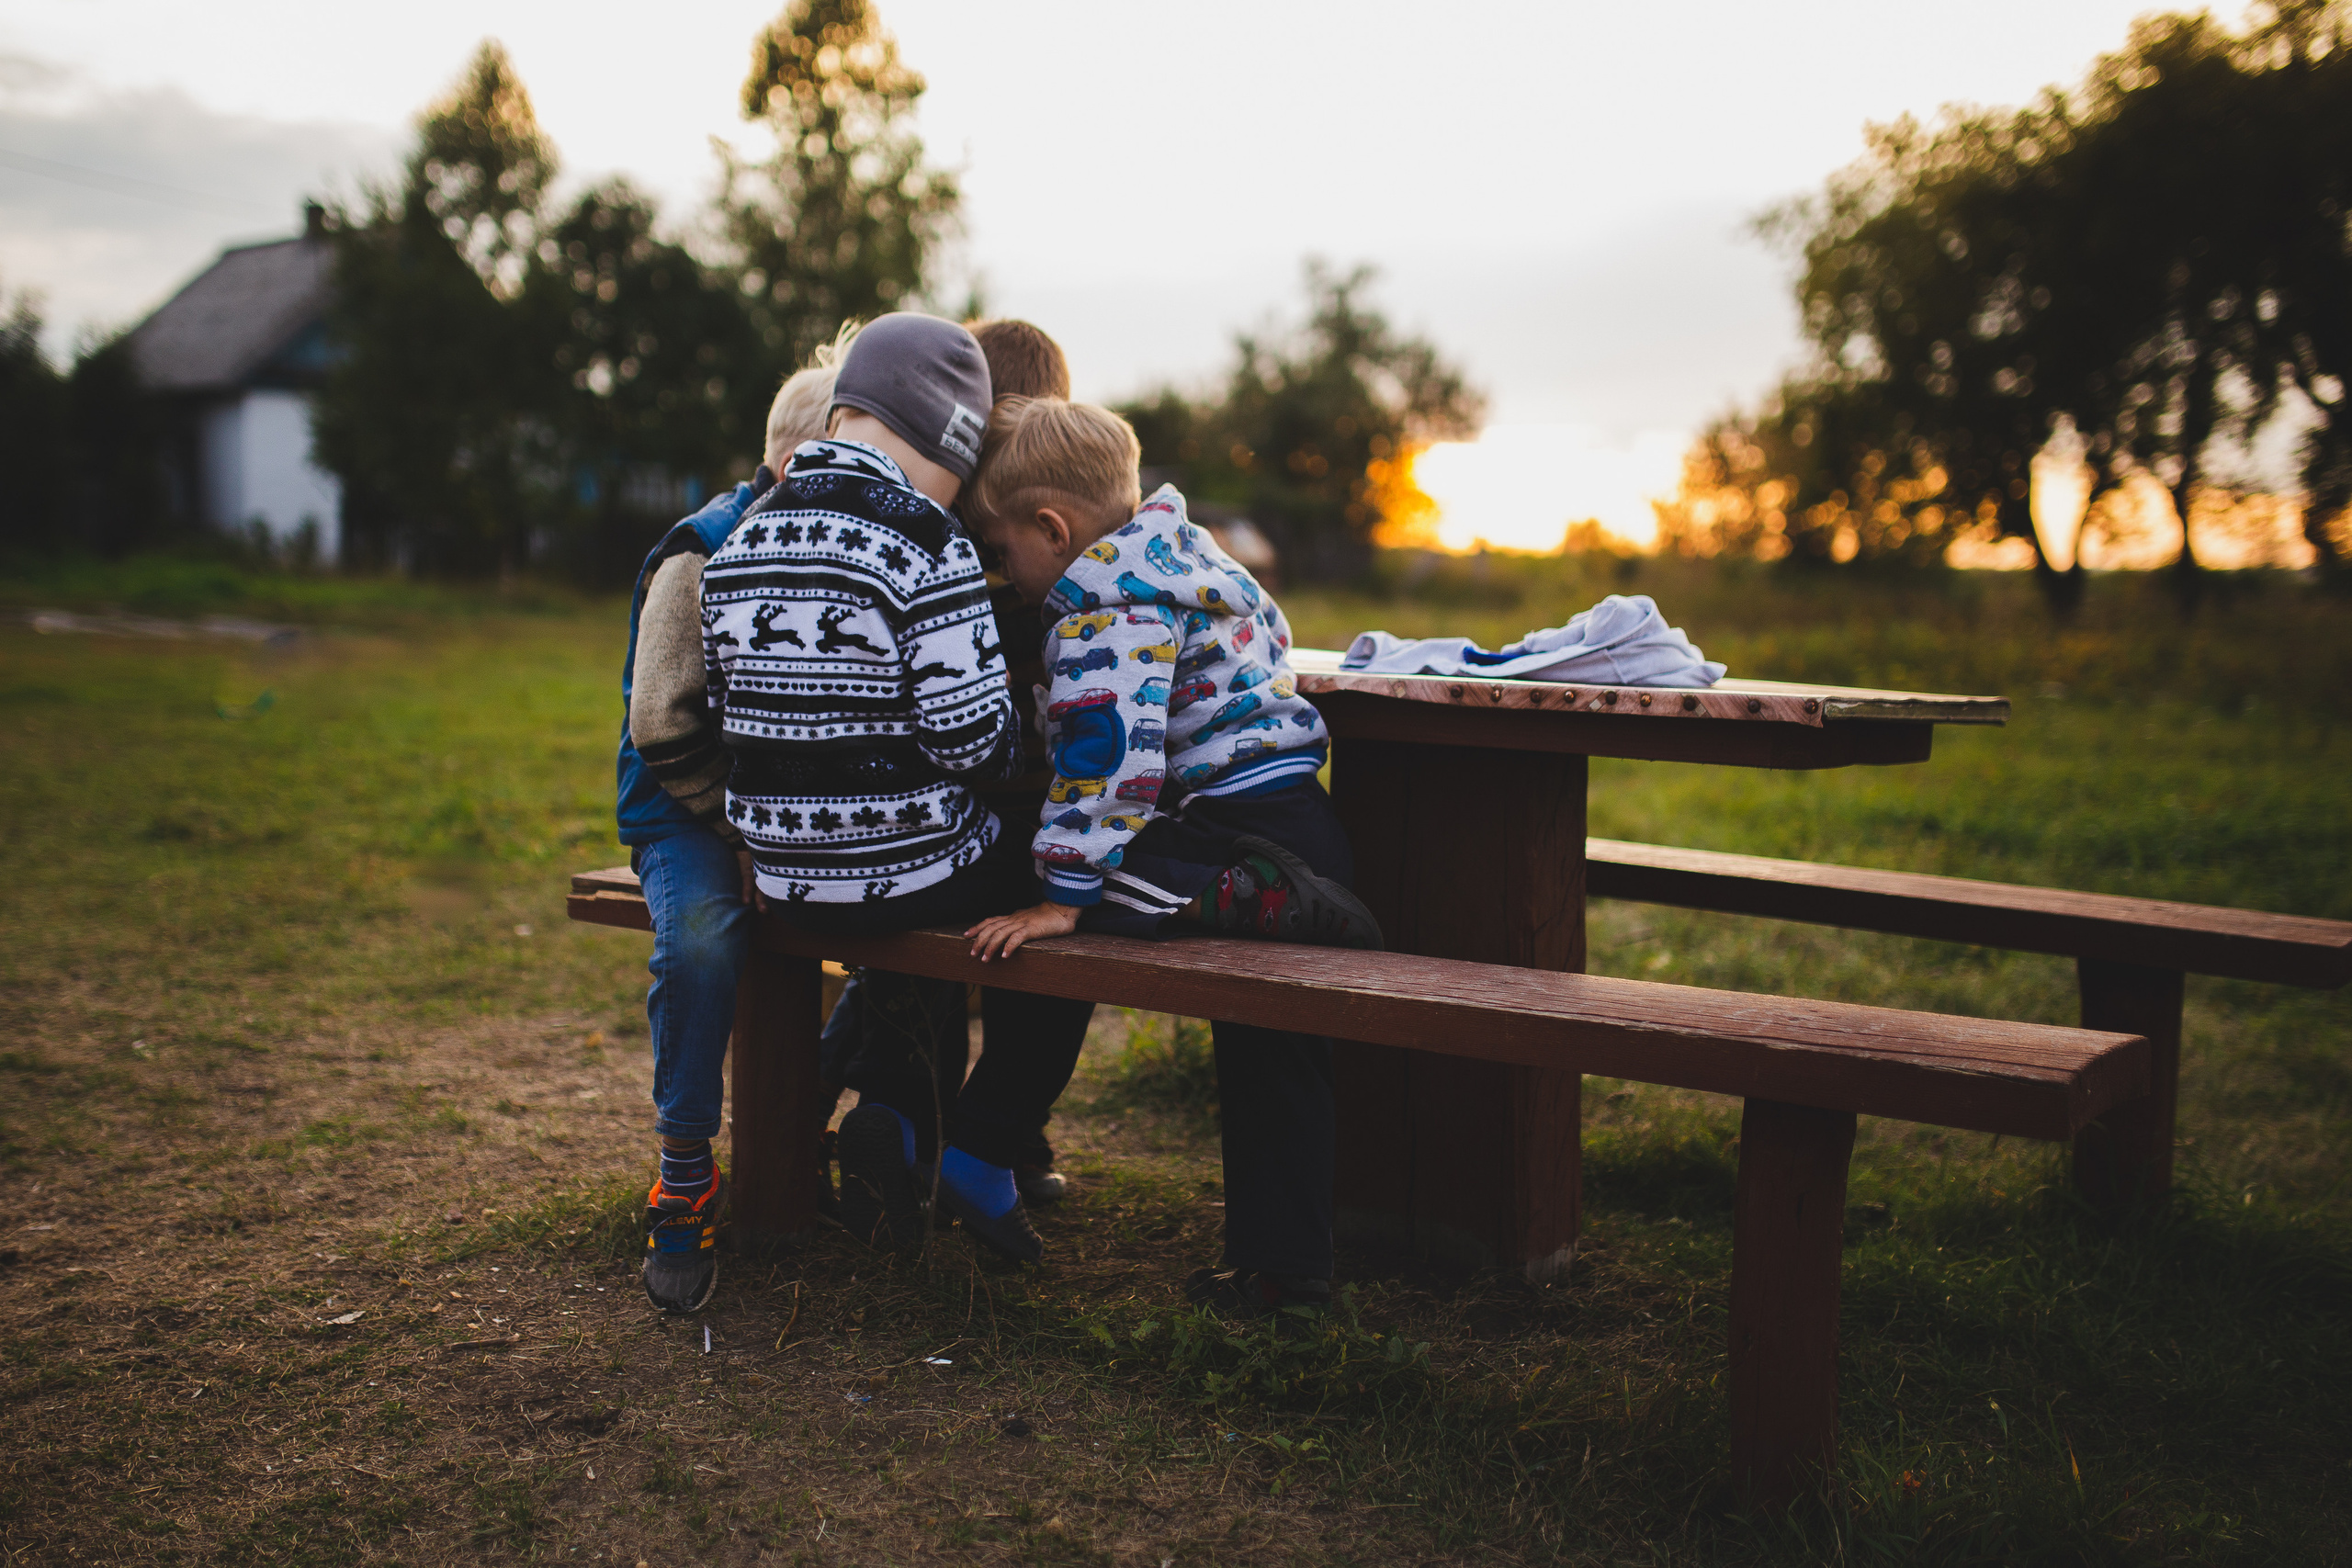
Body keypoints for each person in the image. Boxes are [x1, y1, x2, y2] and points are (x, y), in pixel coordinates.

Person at [958, 395, 1381, 1316]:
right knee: (1277, 1037)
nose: (1003, 575)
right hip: (1296, 815)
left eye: (1001, 551)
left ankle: (1228, 895)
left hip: (1229, 837)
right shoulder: (1195, 559)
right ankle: (1285, 1273)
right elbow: (1269, 645)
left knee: (1068, 886)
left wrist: (1062, 896)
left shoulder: (1104, 606)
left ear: (1053, 529)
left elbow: (1108, 762)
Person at [700, 312, 1091, 1267]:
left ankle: (899, 1112)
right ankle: (974, 1137)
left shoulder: (746, 534)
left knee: (929, 867)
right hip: (899, 871)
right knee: (1063, 886)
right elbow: (972, 742)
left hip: (781, 874)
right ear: (951, 442)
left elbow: (726, 713)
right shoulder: (927, 538)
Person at [826, 318, 1091, 1213]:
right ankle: (1003, 1135)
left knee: (912, 965)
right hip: (1026, 818)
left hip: (921, 814)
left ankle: (903, 1115)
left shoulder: (931, 527)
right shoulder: (1046, 543)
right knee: (1043, 939)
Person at [620, 330, 858, 1315]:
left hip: (785, 814)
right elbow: (663, 723)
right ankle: (684, 1169)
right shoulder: (701, 550)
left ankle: (816, 1104)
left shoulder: (835, 550)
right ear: (801, 462)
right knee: (703, 937)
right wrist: (754, 834)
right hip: (690, 811)